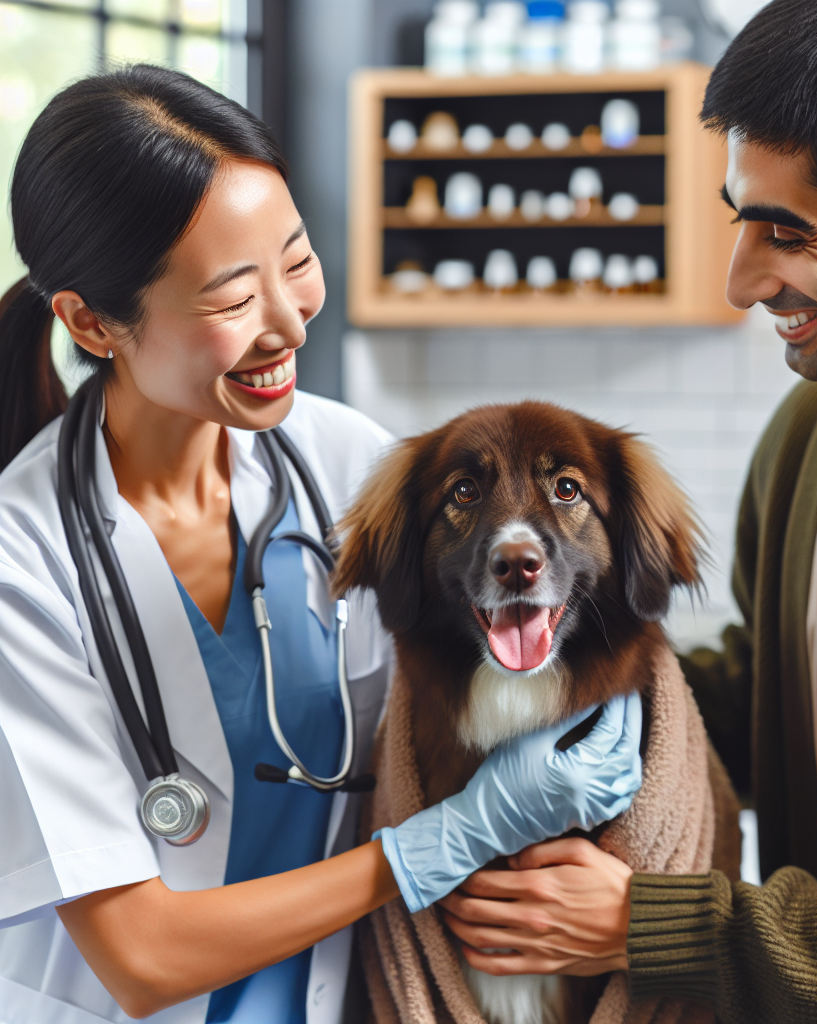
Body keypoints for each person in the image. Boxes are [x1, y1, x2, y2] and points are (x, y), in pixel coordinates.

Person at [0, 65, 644, 1024]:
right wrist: (441, 843)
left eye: (295, 260)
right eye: (230, 298)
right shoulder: (24, 564)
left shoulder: (351, 468)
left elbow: (476, 682)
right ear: (93, 322)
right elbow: (141, 955)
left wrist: (598, 709)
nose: (292, 320)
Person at [438, 1, 817, 1020]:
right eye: (739, 217)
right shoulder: (810, 433)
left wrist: (643, 923)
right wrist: (528, 692)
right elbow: (778, 696)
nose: (740, 276)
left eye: (788, 232)